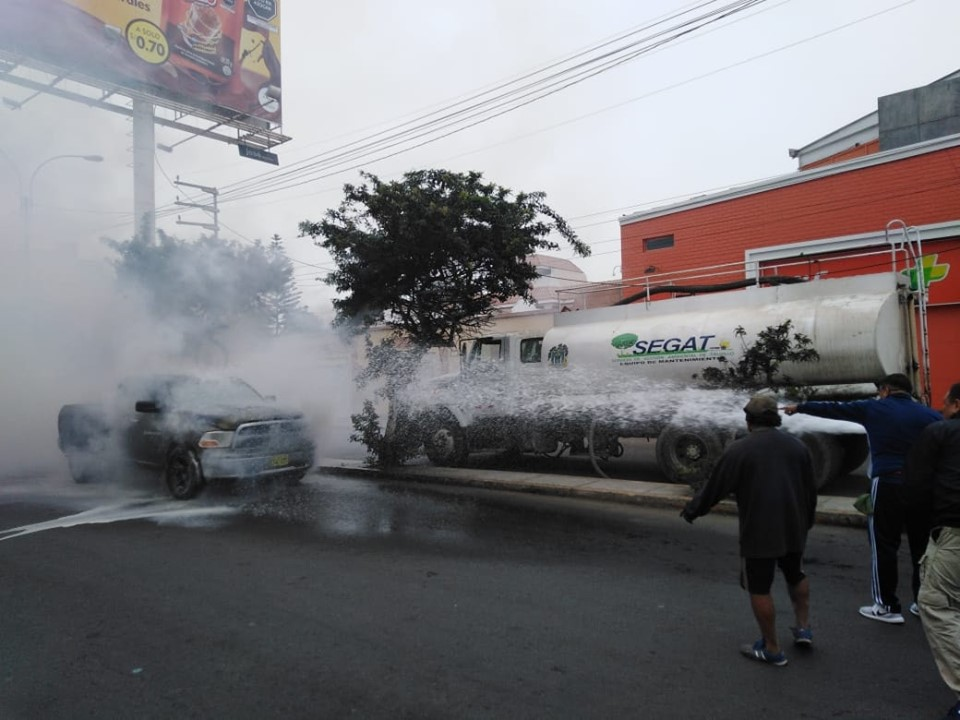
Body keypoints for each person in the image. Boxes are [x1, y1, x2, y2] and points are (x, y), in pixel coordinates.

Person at [784, 373, 941, 624]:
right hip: (921, 488)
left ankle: (887, 606)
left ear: (886, 390)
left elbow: (834, 409)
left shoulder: (873, 408)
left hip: (887, 483)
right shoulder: (930, 415)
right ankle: (922, 603)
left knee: (884, 545)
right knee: (921, 547)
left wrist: (800, 407)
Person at [681, 393, 816, 667]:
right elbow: (810, 491)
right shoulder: (798, 447)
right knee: (796, 574)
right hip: (794, 527)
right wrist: (806, 522)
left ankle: (772, 648)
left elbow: (716, 487)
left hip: (760, 531)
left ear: (748, 420)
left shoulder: (740, 450)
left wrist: (693, 510)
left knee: (759, 587)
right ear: (776, 419)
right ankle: (803, 628)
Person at [904, 382, 960, 720]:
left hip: (953, 532)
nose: (941, 406)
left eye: (946, 402)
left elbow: (916, 486)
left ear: (958, 404)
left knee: (935, 603)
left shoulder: (940, 432)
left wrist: (924, 534)